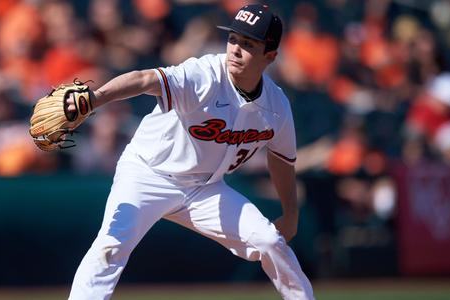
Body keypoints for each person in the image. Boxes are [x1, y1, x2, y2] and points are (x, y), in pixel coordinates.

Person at [67, 4, 315, 300]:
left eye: (248, 44)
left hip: (205, 190)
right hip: (148, 174)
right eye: (233, 39)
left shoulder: (276, 107)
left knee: (269, 241)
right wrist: (95, 99)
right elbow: (146, 79)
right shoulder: (204, 74)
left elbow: (282, 159)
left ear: (270, 56)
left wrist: (290, 212)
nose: (235, 49)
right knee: (110, 246)